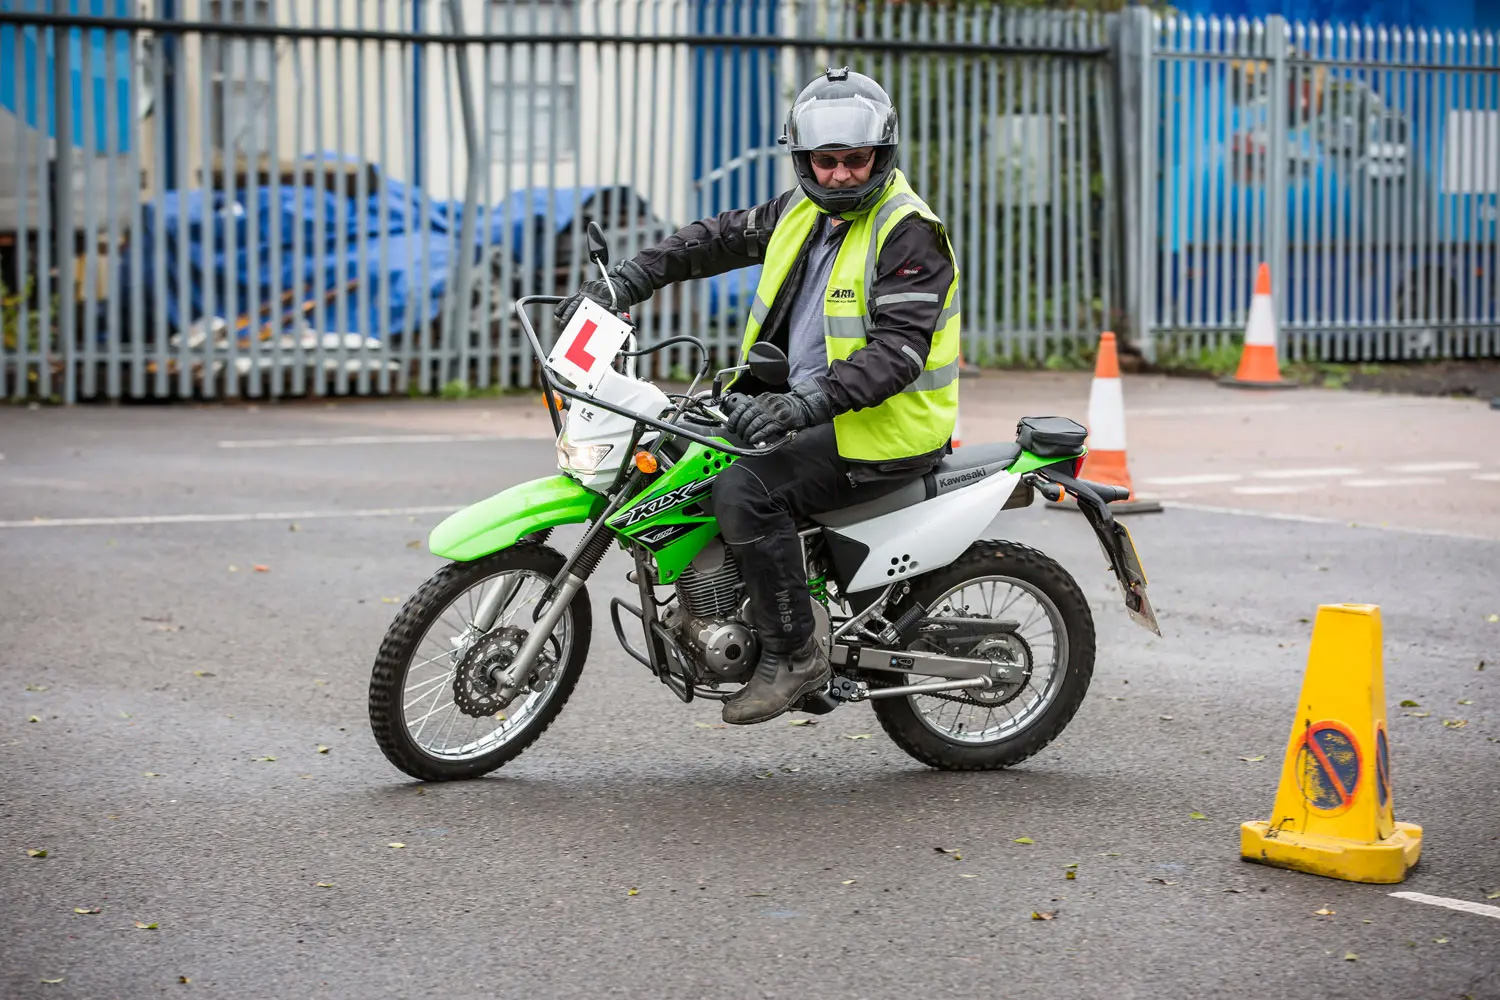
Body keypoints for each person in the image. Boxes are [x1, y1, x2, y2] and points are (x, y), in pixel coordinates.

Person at [556, 68, 961, 725]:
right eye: (825, 161)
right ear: (804, 160)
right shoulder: (802, 213)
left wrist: (798, 406)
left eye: (855, 160)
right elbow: (714, 239)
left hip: (883, 429)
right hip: (809, 410)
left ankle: (794, 652)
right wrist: (632, 277)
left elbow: (897, 354)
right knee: (683, 449)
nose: (840, 175)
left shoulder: (908, 232)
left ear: (881, 156)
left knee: (747, 489)